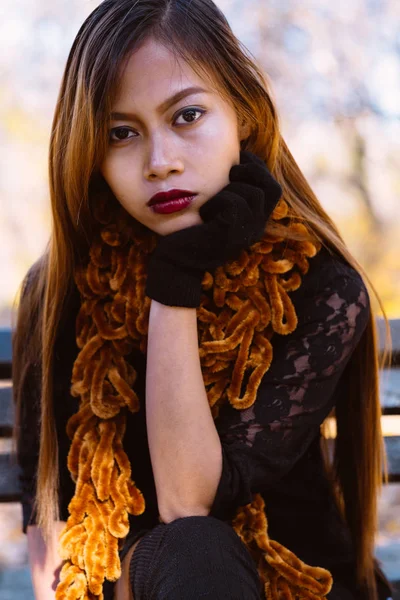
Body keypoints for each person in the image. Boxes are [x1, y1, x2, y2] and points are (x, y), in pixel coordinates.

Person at [11, 1, 395, 599]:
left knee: (199, 547)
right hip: (133, 585)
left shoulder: (320, 286)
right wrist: (178, 274)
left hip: (296, 586)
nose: (161, 162)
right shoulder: (62, 289)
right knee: (194, 552)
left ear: (243, 113)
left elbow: (187, 496)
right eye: (122, 133)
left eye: (187, 115)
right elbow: (51, 526)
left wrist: (176, 277)